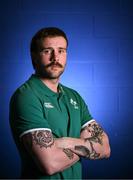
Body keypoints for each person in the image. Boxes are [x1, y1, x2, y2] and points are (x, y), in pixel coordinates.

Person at [9, 27, 111, 179]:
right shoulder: (26, 96)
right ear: (34, 57)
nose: (55, 58)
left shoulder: (74, 97)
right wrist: (85, 145)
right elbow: (50, 164)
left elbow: (105, 148)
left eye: (61, 50)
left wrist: (64, 142)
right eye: (47, 51)